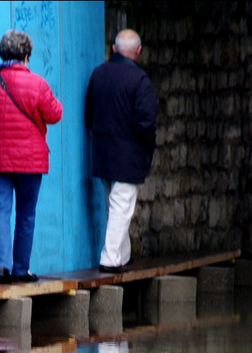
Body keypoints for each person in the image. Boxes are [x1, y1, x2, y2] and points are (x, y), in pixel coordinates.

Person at [0, 29, 62, 284]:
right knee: (26, 215)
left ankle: (1, 268)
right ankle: (21, 270)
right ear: (25, 57)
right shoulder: (37, 84)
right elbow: (55, 114)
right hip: (29, 160)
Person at [85, 29, 158, 273]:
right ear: (138, 51)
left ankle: (123, 255)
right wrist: (146, 150)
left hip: (103, 151)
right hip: (128, 155)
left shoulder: (98, 73)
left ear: (114, 49)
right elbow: (146, 124)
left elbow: (89, 114)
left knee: (113, 205)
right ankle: (110, 259)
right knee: (121, 206)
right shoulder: (140, 81)